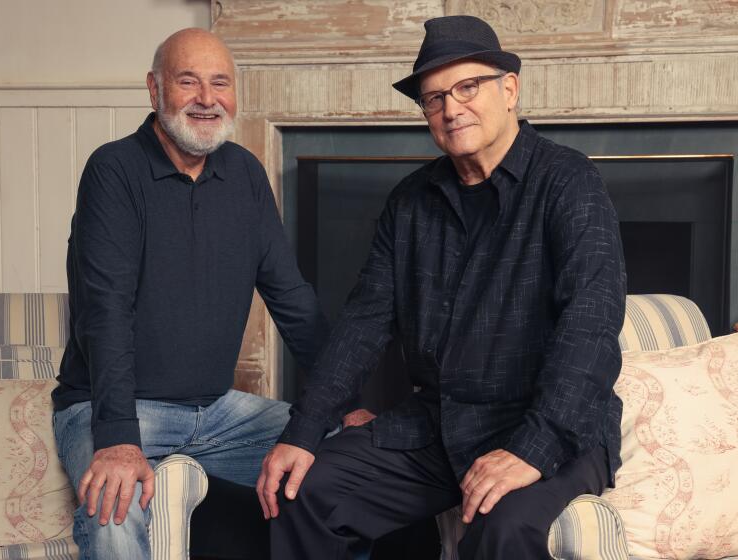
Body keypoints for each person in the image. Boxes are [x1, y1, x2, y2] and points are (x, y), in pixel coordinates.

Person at [258, 15, 626, 560]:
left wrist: (533, 447)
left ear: (510, 89)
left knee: (504, 529)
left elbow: (591, 325)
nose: (451, 108)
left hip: (548, 423)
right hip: (438, 422)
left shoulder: (568, 182)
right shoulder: (410, 202)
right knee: (304, 492)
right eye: (433, 99)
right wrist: (303, 430)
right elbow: (363, 325)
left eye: (467, 87)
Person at [51, 28, 328, 559]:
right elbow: (104, 310)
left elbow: (291, 296)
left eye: (220, 83)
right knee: (112, 507)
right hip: (117, 408)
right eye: (189, 82)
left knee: (343, 458)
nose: (207, 98)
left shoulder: (244, 172)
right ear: (154, 91)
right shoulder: (114, 170)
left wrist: (345, 402)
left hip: (219, 413)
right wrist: (117, 438)